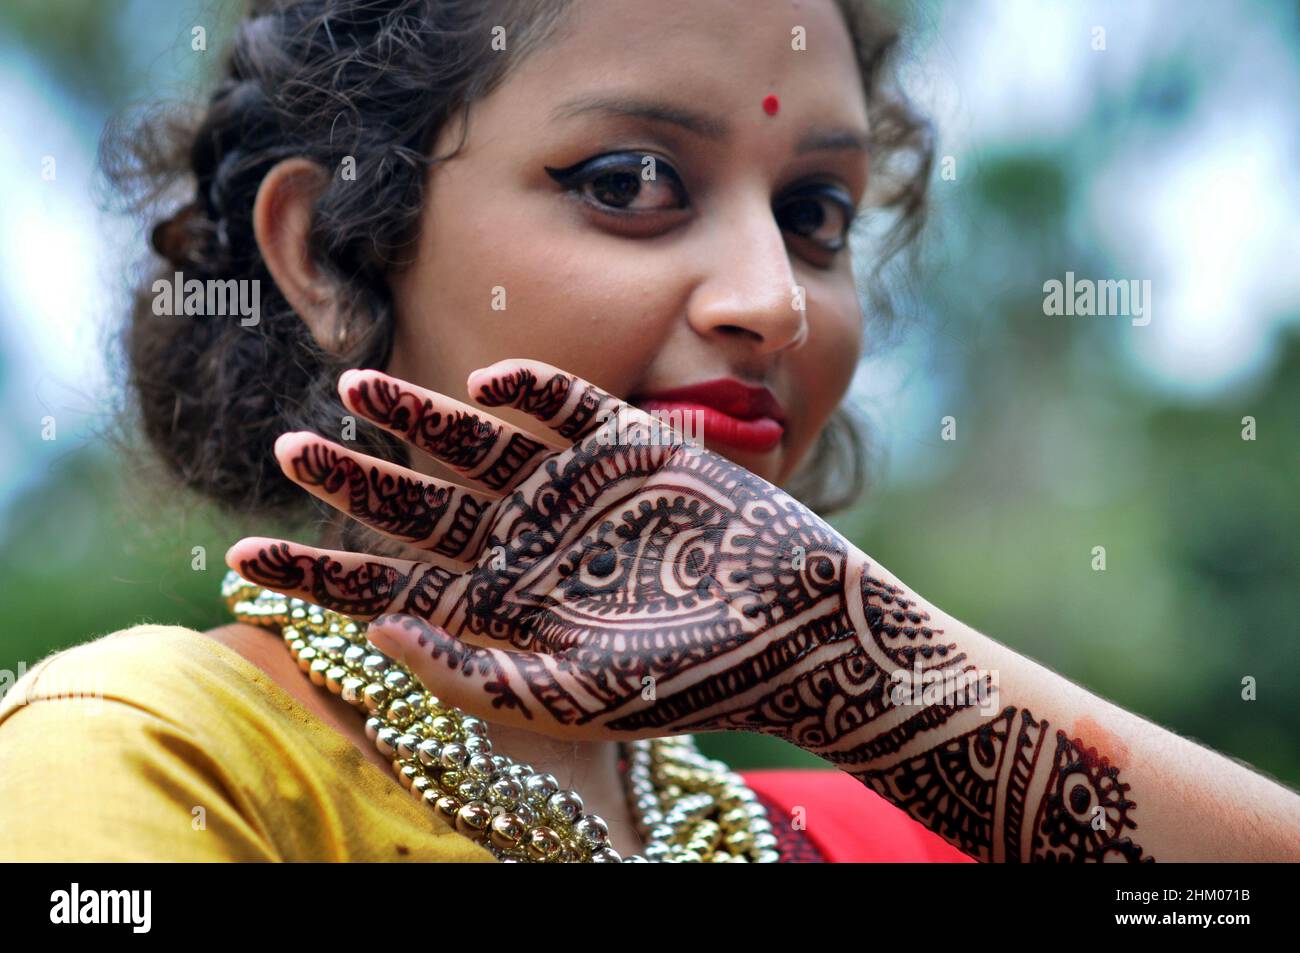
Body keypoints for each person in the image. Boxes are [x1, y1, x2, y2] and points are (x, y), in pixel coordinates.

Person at [1, 0, 1296, 862]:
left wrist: (883, 679)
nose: (772, 300)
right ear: (329, 256)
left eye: (818, 216)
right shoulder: (152, 752)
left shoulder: (863, 827)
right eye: (628, 182)